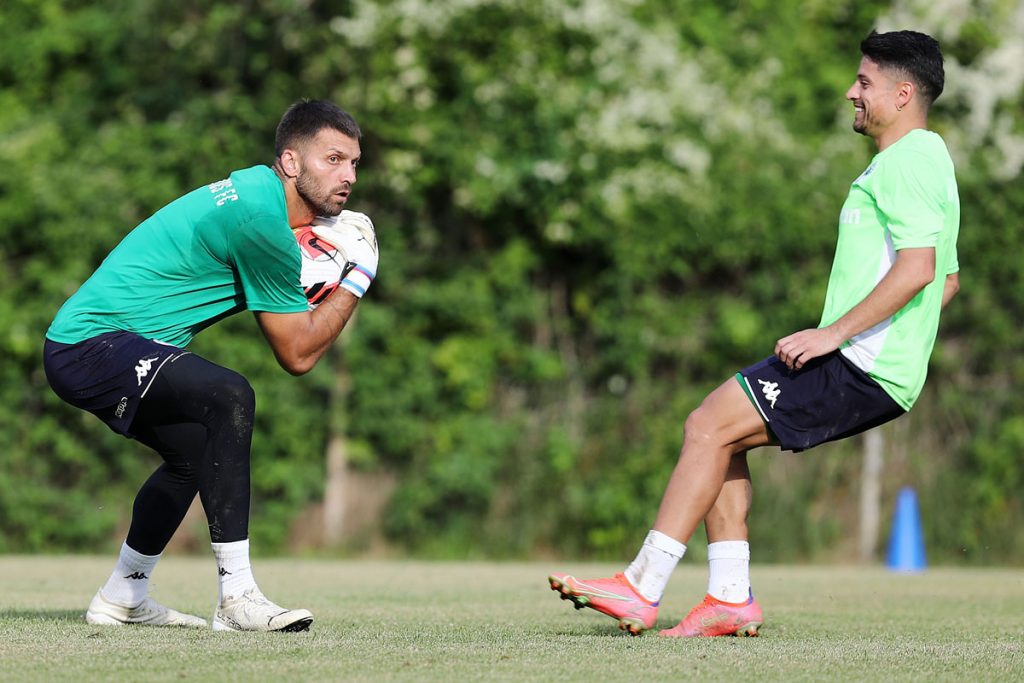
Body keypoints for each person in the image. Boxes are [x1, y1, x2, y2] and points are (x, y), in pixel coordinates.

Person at [549, 29, 960, 637]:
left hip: (859, 361)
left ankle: (642, 585)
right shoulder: (928, 161)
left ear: (903, 94)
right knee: (721, 439)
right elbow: (946, 283)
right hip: (874, 365)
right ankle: (729, 597)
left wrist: (837, 336)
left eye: (865, 82)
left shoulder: (909, 160)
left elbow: (919, 271)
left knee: (706, 425)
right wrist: (898, 345)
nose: (852, 91)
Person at [43, 99, 379, 632]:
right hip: (90, 344)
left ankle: (122, 595)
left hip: (97, 344)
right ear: (291, 163)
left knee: (193, 456)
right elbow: (298, 354)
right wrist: (358, 276)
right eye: (333, 159)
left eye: (354, 163)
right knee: (230, 396)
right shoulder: (260, 221)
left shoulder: (257, 196)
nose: (348, 176)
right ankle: (237, 597)